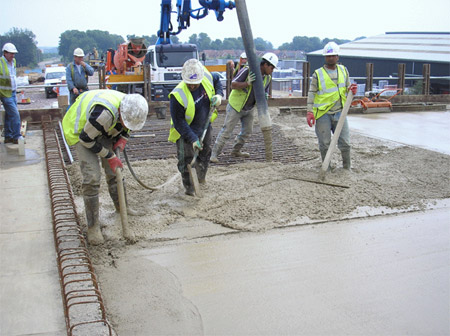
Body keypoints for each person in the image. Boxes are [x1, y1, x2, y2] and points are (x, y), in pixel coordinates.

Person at [62, 90, 148, 245]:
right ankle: (93, 227)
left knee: (115, 174)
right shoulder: (104, 115)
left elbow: (128, 127)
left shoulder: (132, 108)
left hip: (104, 129)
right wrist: (109, 156)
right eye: (125, 122)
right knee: (92, 177)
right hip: (82, 132)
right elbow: (86, 140)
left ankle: (122, 208)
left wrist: (122, 139)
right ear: (120, 113)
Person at [168, 59, 223, 196]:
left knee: (205, 153)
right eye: (189, 84)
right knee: (186, 160)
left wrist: (219, 95)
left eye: (195, 84)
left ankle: (201, 178)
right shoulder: (177, 95)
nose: (192, 86)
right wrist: (193, 139)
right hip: (185, 131)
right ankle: (190, 189)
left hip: (205, 125)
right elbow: (178, 122)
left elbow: (217, 80)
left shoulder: (207, 77)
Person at [210, 52, 278, 163]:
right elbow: (233, 84)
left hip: (249, 108)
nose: (272, 70)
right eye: (272, 67)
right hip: (236, 106)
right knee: (227, 131)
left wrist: (264, 96)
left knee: (247, 131)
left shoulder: (267, 78)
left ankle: (236, 150)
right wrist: (247, 83)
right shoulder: (248, 71)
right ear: (265, 64)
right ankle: (214, 154)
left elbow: (264, 91)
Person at [306, 42, 357, 170]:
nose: (331, 58)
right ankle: (326, 168)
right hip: (323, 113)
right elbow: (311, 93)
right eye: (328, 56)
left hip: (340, 112)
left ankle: (347, 168)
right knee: (325, 144)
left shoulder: (343, 70)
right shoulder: (318, 74)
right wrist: (309, 112)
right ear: (325, 57)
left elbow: (347, 88)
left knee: (345, 143)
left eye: (333, 55)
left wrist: (352, 90)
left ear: (337, 57)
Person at [0, 43, 23, 144]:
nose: (13, 56)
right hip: (4, 93)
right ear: (5, 53)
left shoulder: (13, 61)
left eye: (14, 54)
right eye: (11, 53)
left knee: (9, 115)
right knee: (15, 114)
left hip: (13, 92)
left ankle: (8, 136)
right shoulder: (0, 63)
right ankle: (16, 136)